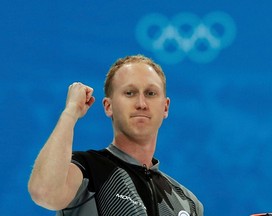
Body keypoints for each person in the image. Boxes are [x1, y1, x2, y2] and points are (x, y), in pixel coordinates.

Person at [28, 54, 204, 216]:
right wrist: (71, 111)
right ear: (108, 106)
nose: (141, 103)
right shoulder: (87, 169)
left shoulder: (188, 203)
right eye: (130, 93)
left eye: (150, 93)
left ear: (165, 107)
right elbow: (44, 193)